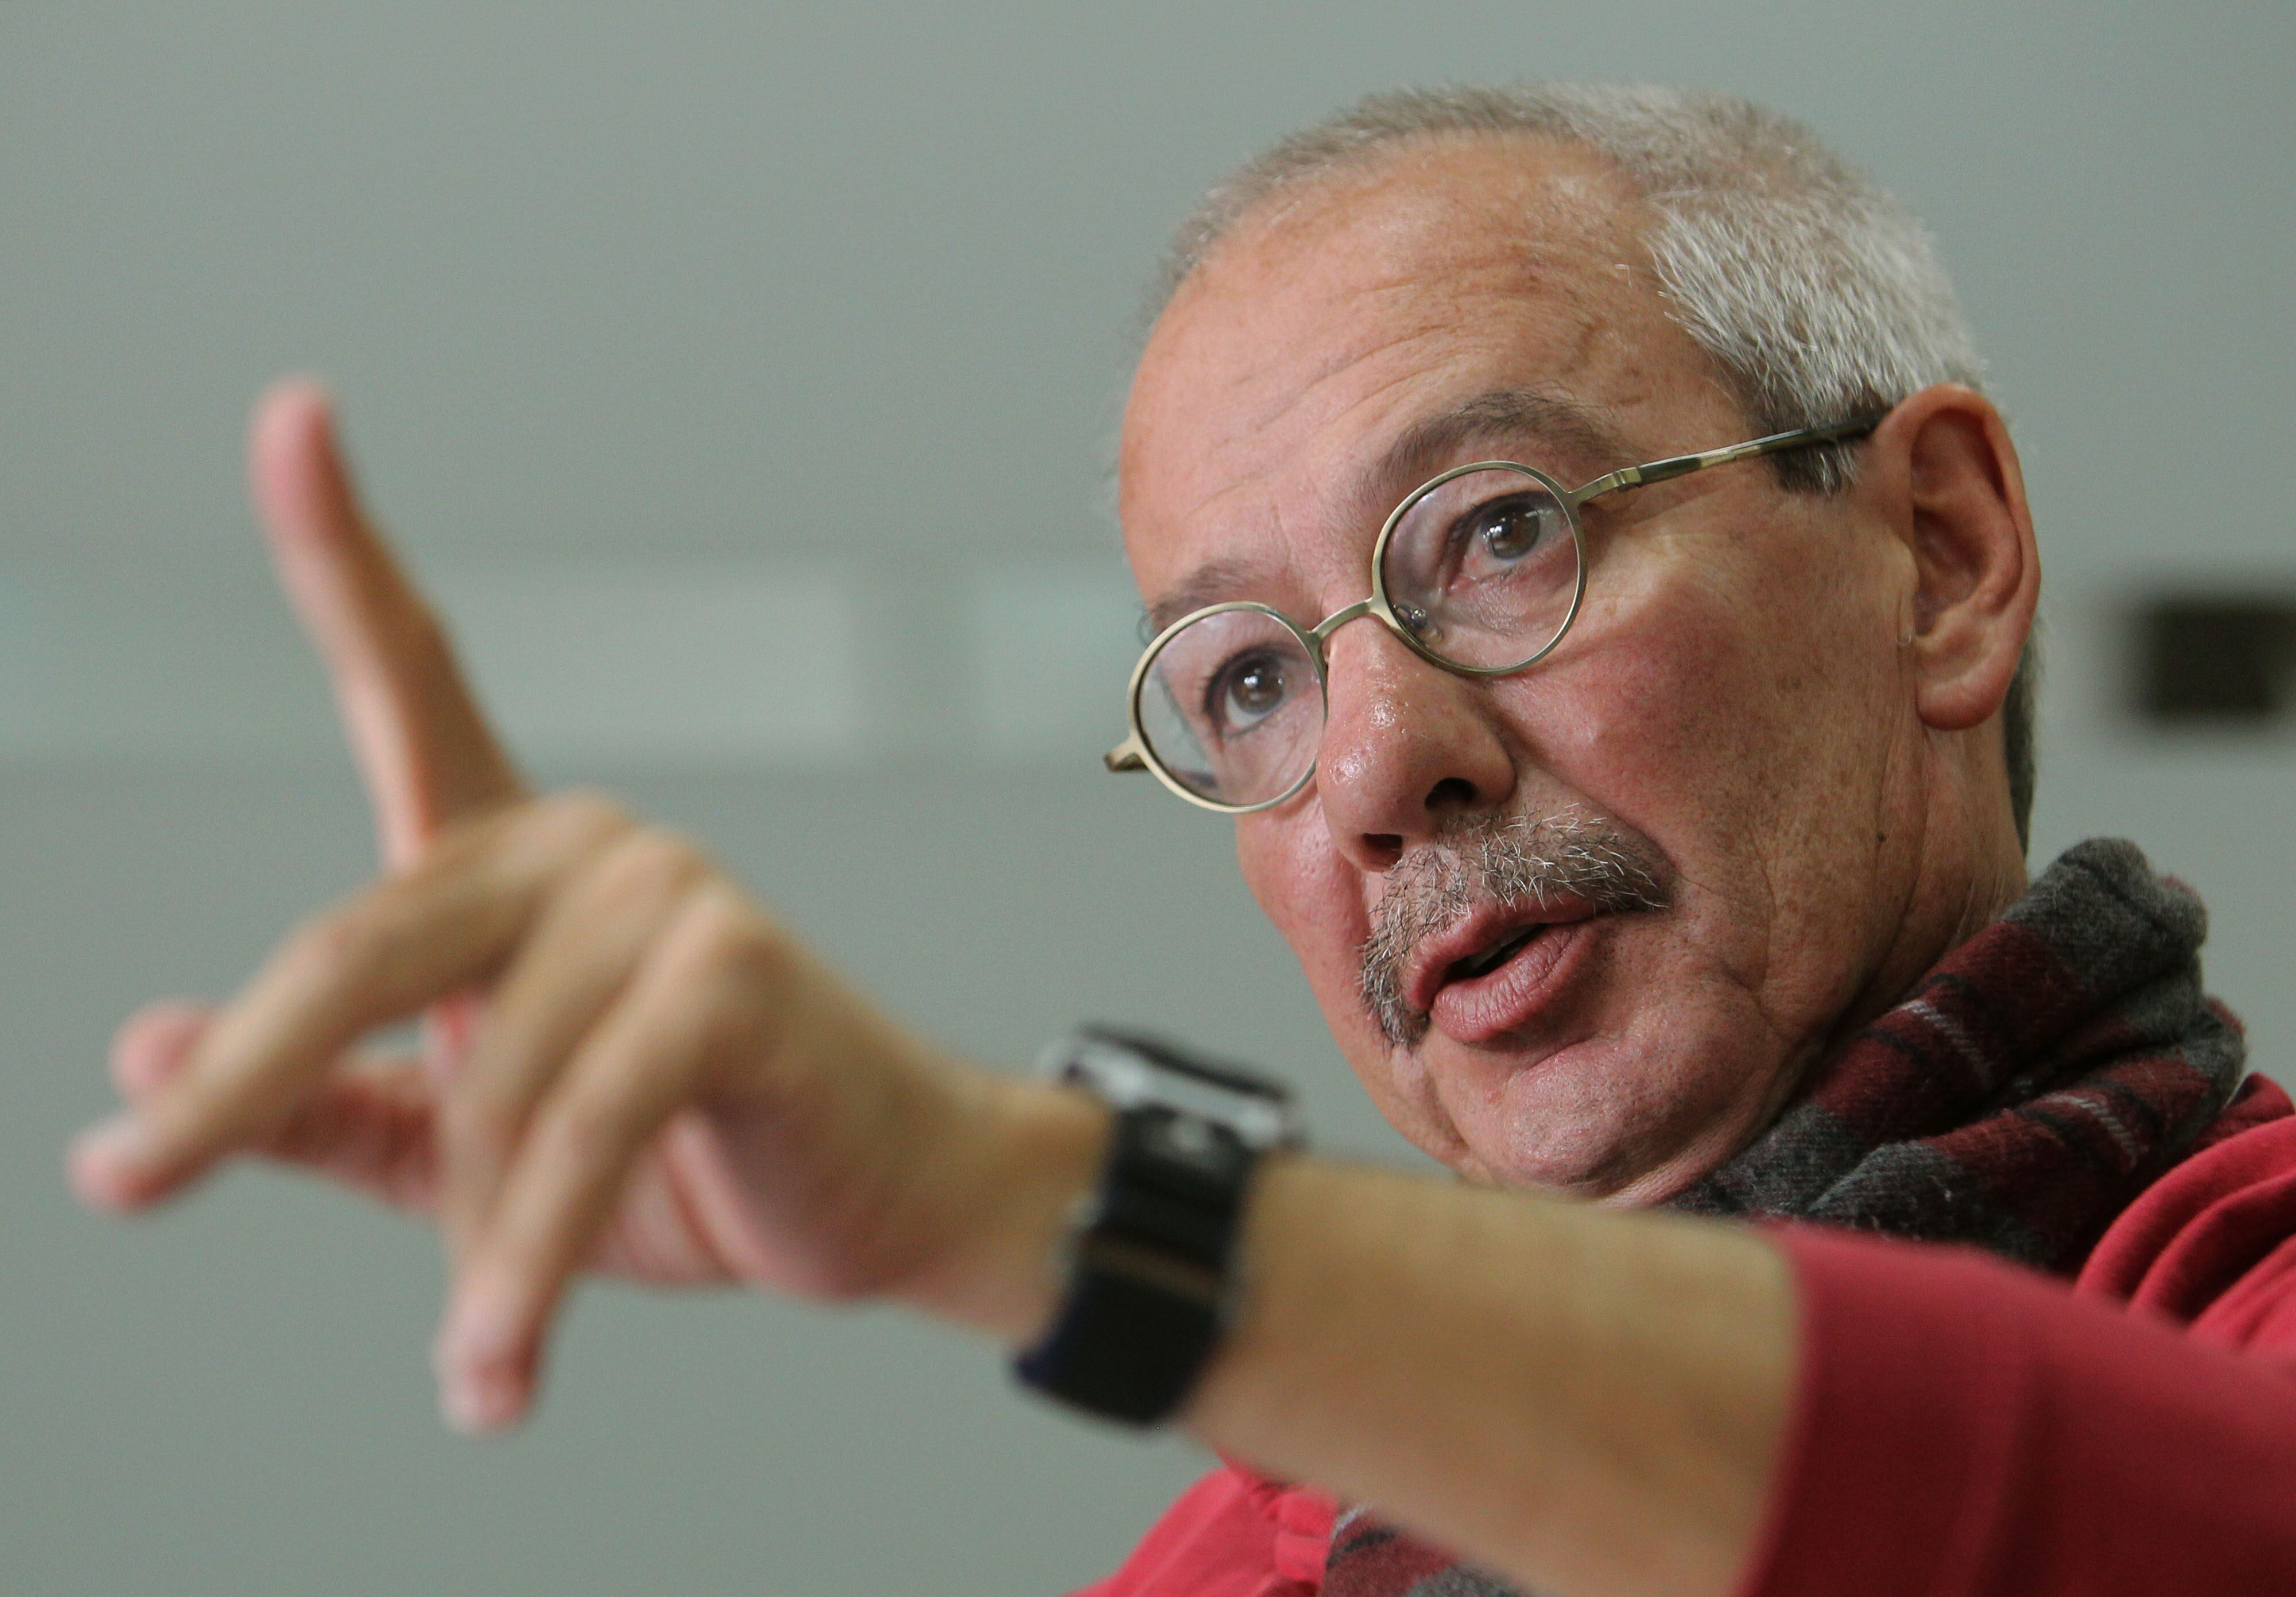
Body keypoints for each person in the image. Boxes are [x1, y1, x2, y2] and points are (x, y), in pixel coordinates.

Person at [64, 80, 2296, 1597]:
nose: (1369, 763)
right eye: (1248, 677)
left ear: (1936, 554)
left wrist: (1049, 1210)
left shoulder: (2248, 1329)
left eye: (1500, 533)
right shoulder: (1243, 1553)